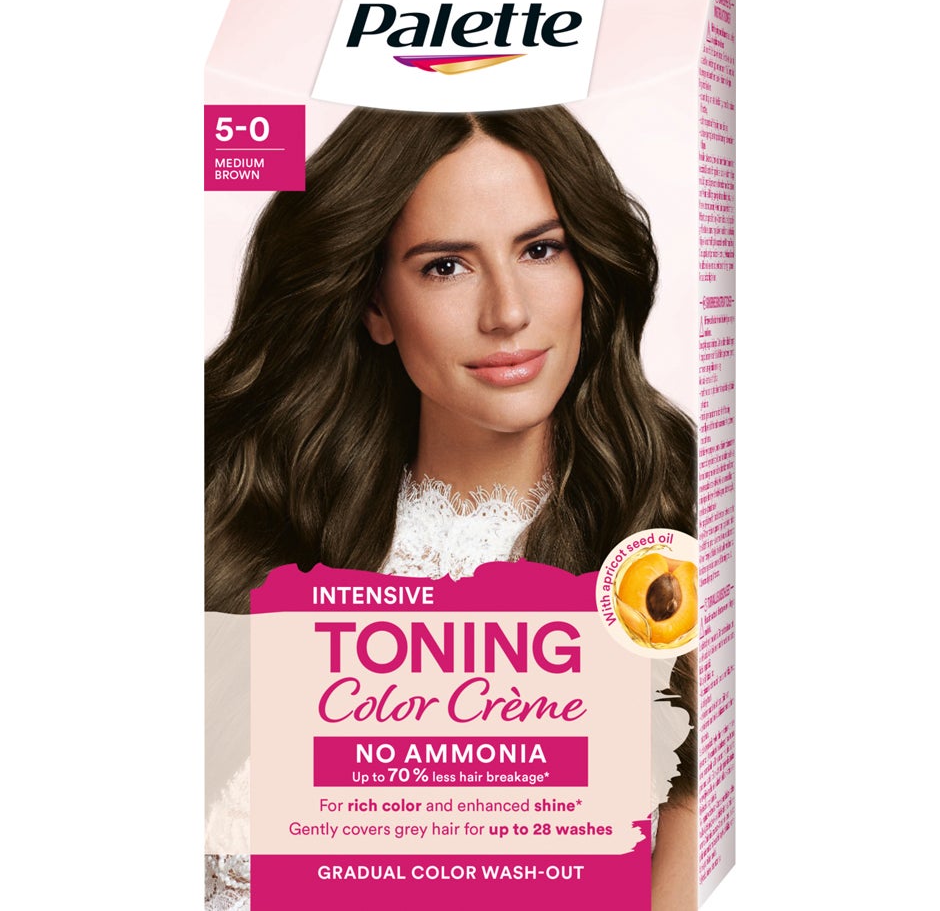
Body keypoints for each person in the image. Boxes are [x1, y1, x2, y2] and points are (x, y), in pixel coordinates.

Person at [205, 105, 697, 908]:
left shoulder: (675, 551)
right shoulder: (245, 546)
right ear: (375, 305)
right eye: (445, 266)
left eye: (540, 249)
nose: (507, 312)